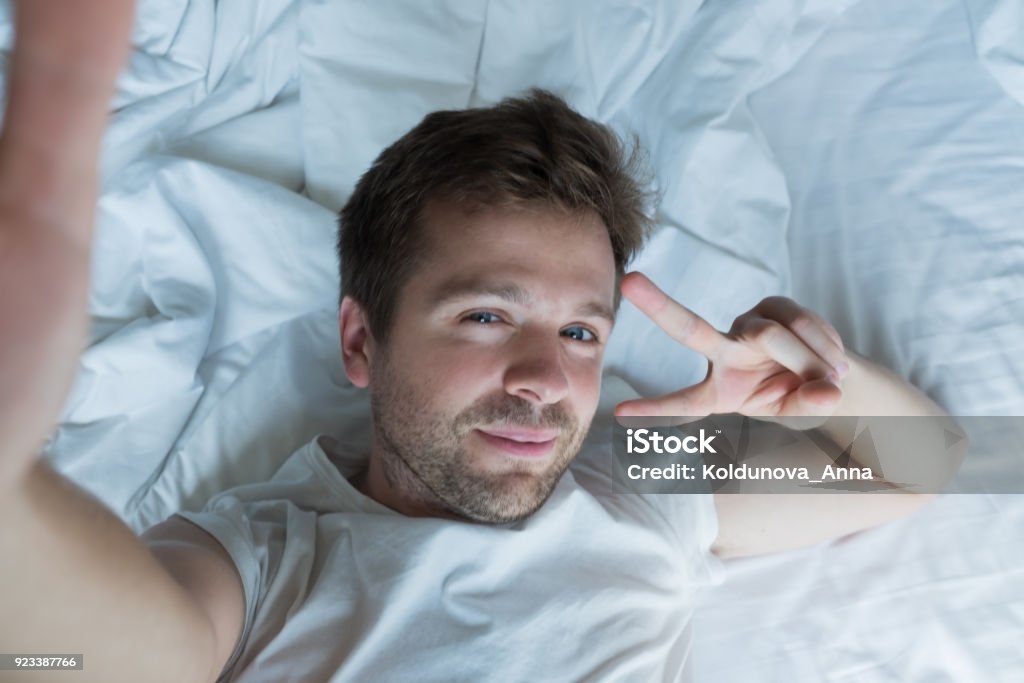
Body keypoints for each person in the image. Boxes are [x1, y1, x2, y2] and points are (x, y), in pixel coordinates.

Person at [0, 3, 961, 682]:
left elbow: (924, 466)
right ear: (361, 341)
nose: (547, 379)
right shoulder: (267, 551)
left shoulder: (631, 472)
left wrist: (833, 385)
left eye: (581, 330)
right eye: (486, 315)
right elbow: (68, 662)